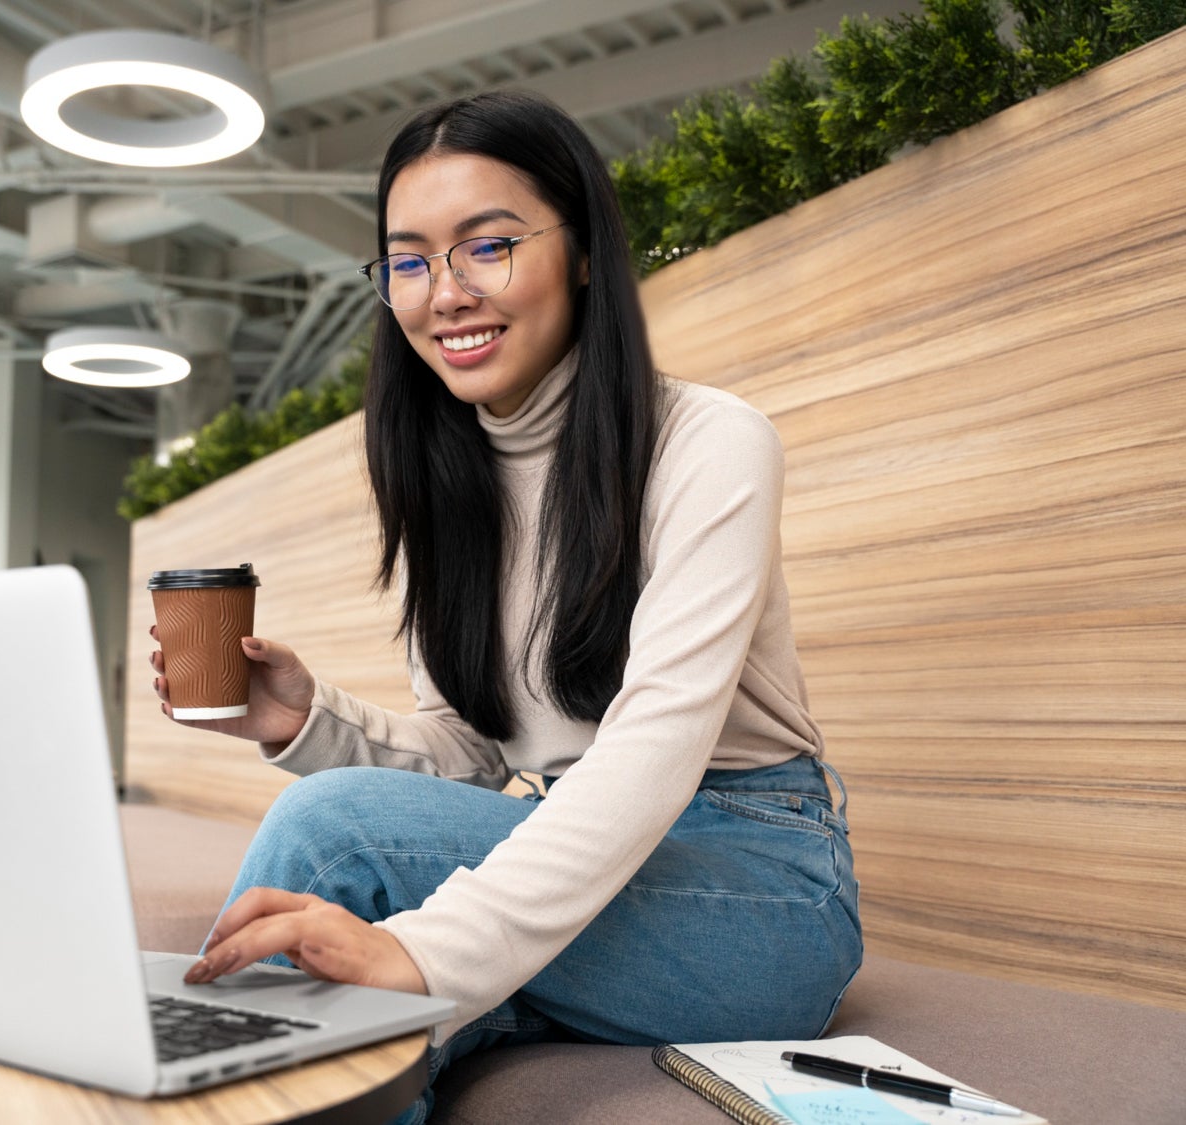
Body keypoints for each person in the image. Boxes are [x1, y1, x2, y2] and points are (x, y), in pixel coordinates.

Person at [149, 89, 862, 1123]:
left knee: (332, 842)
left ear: (579, 252)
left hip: (757, 885)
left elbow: (651, 748)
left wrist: (420, 948)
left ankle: (182, 1089)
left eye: (486, 246)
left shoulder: (710, 443)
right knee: (358, 1021)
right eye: (408, 260)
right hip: (557, 838)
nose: (444, 293)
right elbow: (476, 757)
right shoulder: (447, 481)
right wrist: (307, 724)